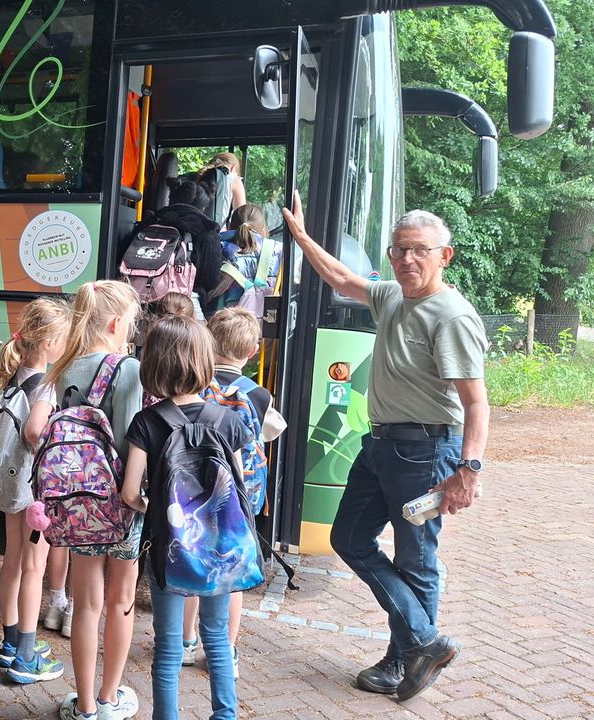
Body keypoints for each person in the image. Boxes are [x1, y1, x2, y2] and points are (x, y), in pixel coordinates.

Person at [282, 194, 489, 701]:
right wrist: (303, 238)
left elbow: (476, 402)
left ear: (445, 255)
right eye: (399, 250)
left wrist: (468, 470)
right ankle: (424, 642)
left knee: (416, 560)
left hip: (426, 451)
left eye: (419, 250)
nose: (406, 259)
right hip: (379, 445)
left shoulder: (452, 316)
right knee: (349, 538)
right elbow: (341, 278)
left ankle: (403, 661)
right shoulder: (393, 295)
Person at [121, 315, 249, 720]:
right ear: (205, 360)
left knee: (168, 646)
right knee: (217, 638)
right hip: (218, 551)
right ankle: (225, 715)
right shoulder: (228, 421)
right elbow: (238, 489)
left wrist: (163, 513)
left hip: (168, 550)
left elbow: (129, 493)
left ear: (154, 364)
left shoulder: (147, 422)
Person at [48, 280, 144, 720]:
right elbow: (130, 441)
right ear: (114, 324)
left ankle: (83, 706)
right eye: (131, 323)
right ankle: (109, 700)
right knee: (121, 600)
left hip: (79, 505)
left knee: (85, 604)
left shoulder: (64, 367)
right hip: (123, 505)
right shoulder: (127, 369)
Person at [179, 307, 287, 676]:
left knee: (194, 559)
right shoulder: (259, 394)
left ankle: (186, 641)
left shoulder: (195, 383)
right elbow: (270, 432)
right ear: (253, 351)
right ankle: (225, 651)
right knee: (233, 569)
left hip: (196, 486)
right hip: (240, 492)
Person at [0, 298, 71, 684]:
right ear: (50, 343)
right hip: (34, 490)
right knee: (33, 568)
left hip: (13, 484)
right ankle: (25, 656)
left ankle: (10, 643)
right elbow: (34, 430)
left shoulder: (15, 375)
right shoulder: (47, 385)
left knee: (13, 561)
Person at [152, 180, 222, 319]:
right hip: (185, 306)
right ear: (203, 208)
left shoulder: (151, 221)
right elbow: (210, 280)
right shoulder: (207, 232)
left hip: (143, 297)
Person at [211, 204, 281, 311]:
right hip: (268, 319)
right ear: (263, 230)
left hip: (225, 319)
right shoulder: (279, 251)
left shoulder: (217, 248)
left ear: (229, 227)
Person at [196, 152, 246, 228]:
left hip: (194, 228)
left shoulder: (199, 175)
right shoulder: (234, 180)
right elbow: (241, 216)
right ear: (234, 167)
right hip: (218, 231)